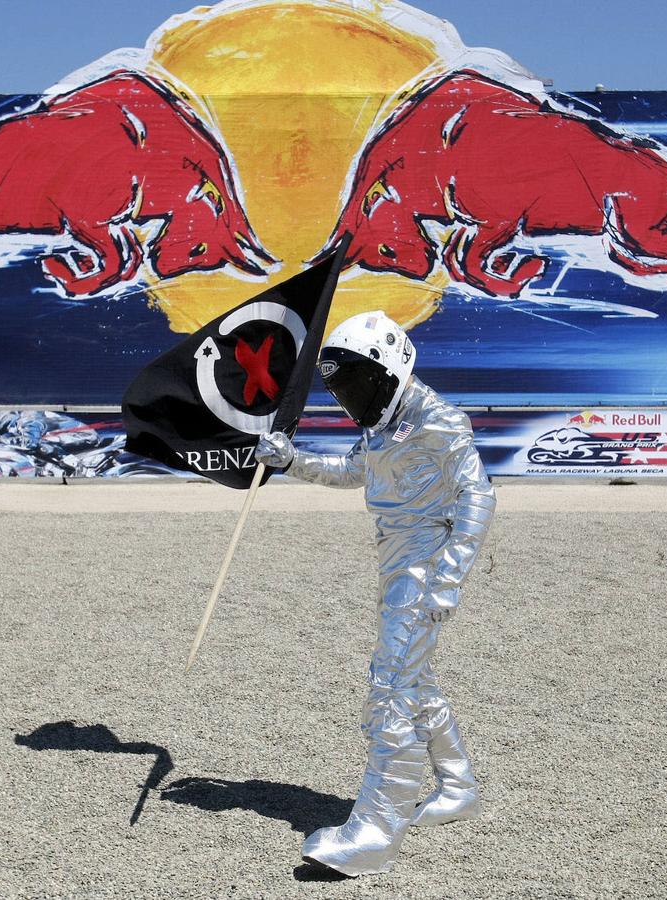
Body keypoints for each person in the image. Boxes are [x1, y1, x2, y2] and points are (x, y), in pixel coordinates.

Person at [254, 310, 496, 877]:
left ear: (393, 370)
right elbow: (352, 471)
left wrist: (449, 580)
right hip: (397, 566)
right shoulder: (383, 423)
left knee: (389, 690)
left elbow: (478, 499)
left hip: (424, 572)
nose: (351, 399)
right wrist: (292, 462)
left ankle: (376, 831)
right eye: (342, 389)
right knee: (415, 680)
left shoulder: (441, 423)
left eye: (359, 385)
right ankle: (458, 786)